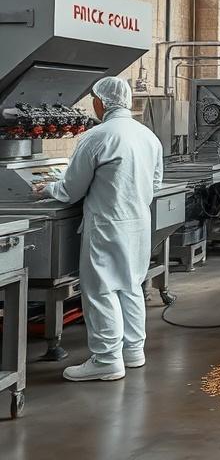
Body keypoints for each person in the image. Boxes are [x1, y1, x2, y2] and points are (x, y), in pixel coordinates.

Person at [32, 76, 163, 382]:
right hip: (138, 223)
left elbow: (72, 189)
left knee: (101, 288)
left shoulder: (97, 137)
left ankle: (106, 360)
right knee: (131, 285)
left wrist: (48, 188)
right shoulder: (148, 137)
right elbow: (154, 184)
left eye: (93, 98)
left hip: (107, 223)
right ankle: (133, 351)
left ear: (101, 102)